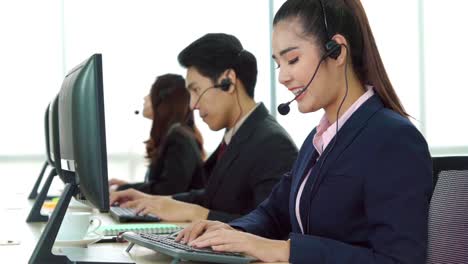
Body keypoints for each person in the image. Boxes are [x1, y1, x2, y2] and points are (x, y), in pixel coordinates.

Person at [175, 1, 433, 263]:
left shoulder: (392, 139)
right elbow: (273, 213)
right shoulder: (317, 140)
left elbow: (401, 260)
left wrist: (285, 250)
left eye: (292, 59)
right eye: (278, 64)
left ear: (337, 51)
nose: (282, 77)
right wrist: (232, 232)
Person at [110, 33, 298, 223]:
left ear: (228, 81)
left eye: (196, 90)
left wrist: (196, 214)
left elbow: (273, 231)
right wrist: (154, 201)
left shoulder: (272, 144)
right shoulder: (237, 135)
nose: (192, 105)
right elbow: (210, 197)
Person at [109, 73, 206, 195]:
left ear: (164, 100)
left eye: (150, 93)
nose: (145, 98)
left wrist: (124, 190)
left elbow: (168, 190)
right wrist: (127, 187)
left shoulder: (178, 138)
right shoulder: (175, 134)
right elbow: (163, 184)